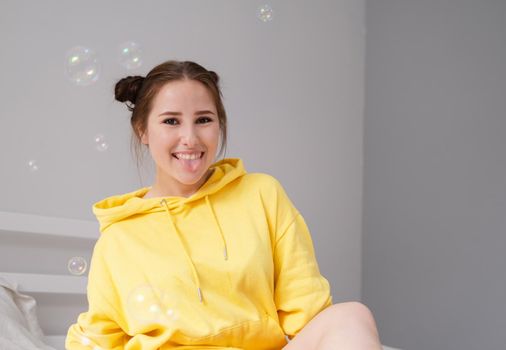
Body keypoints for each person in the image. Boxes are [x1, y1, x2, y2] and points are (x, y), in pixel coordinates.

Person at [65, 60, 383, 350]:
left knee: (352, 315)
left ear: (220, 124)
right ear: (143, 130)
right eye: (171, 121)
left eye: (203, 119)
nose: (190, 138)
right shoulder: (119, 238)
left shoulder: (262, 194)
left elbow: (308, 312)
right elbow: (98, 338)